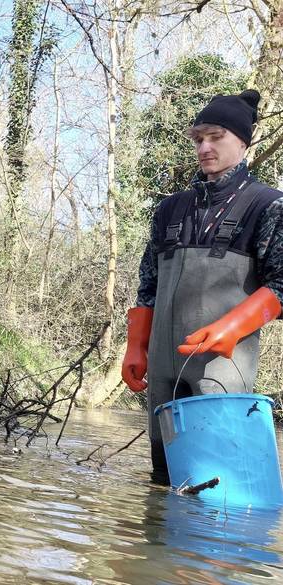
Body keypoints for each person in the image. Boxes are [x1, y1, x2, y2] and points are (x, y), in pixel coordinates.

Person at [122, 89, 283, 485]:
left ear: (243, 142)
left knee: (214, 485)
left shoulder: (269, 205)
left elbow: (282, 285)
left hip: (221, 368)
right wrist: (135, 344)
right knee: (163, 480)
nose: (205, 147)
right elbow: (149, 284)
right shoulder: (169, 209)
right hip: (162, 368)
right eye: (198, 139)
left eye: (216, 137)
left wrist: (232, 328)